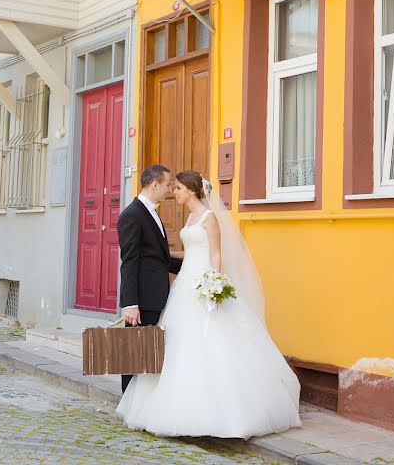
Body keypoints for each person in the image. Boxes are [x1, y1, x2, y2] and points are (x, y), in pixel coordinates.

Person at [117, 170, 301, 439]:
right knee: (174, 343)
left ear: (190, 191)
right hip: (183, 287)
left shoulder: (209, 217)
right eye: (171, 187)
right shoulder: (188, 217)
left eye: (177, 188)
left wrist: (213, 286)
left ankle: (220, 412)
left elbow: (216, 255)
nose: (173, 192)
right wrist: (161, 257)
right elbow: (186, 251)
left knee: (208, 342)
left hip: (202, 284)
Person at [116, 164, 182, 394]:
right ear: (155, 184)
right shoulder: (132, 215)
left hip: (156, 295)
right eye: (167, 184)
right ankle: (128, 403)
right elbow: (130, 261)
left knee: (147, 352)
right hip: (142, 299)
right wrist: (130, 303)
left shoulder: (151, 212)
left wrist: (192, 265)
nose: (170, 189)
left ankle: (141, 402)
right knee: (134, 352)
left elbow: (157, 259)